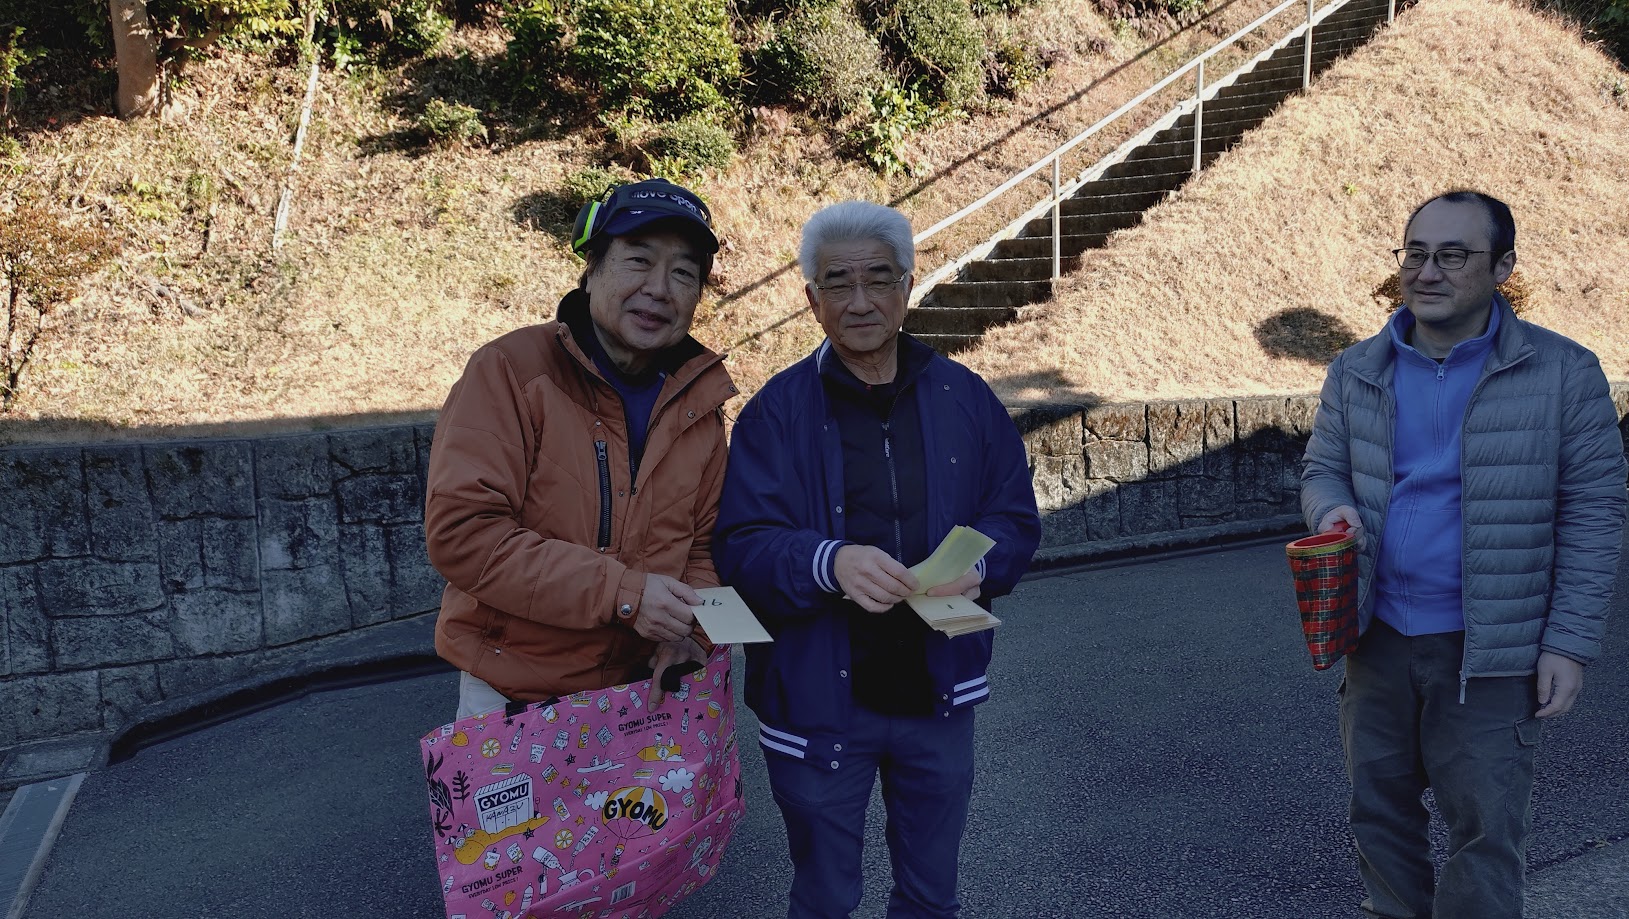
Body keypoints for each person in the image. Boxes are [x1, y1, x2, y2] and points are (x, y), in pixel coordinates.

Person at [1300, 190, 1627, 919]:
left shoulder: (1564, 372)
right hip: (1376, 637)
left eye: (1452, 255)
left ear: (1502, 267)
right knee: (1378, 815)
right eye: (1415, 253)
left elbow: (1594, 512)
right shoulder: (1356, 369)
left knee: (1484, 833)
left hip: (1492, 649)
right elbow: (1322, 469)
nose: (1427, 272)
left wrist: (1568, 643)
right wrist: (1331, 509)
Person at [713, 200, 1042, 918]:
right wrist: (827, 562)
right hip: (816, 698)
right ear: (812, 300)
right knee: (824, 896)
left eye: (878, 279)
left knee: (931, 894)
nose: (859, 301)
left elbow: (1013, 516)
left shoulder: (964, 397)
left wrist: (981, 568)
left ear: (907, 287)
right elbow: (739, 545)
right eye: (838, 282)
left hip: (936, 691)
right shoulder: (775, 412)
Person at [424, 177, 736, 716]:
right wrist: (626, 595)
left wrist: (693, 637)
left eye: (684, 273)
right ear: (591, 270)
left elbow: (702, 548)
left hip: (644, 697)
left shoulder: (700, 403)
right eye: (638, 260)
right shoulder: (512, 371)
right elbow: (464, 536)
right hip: (514, 699)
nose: (660, 288)